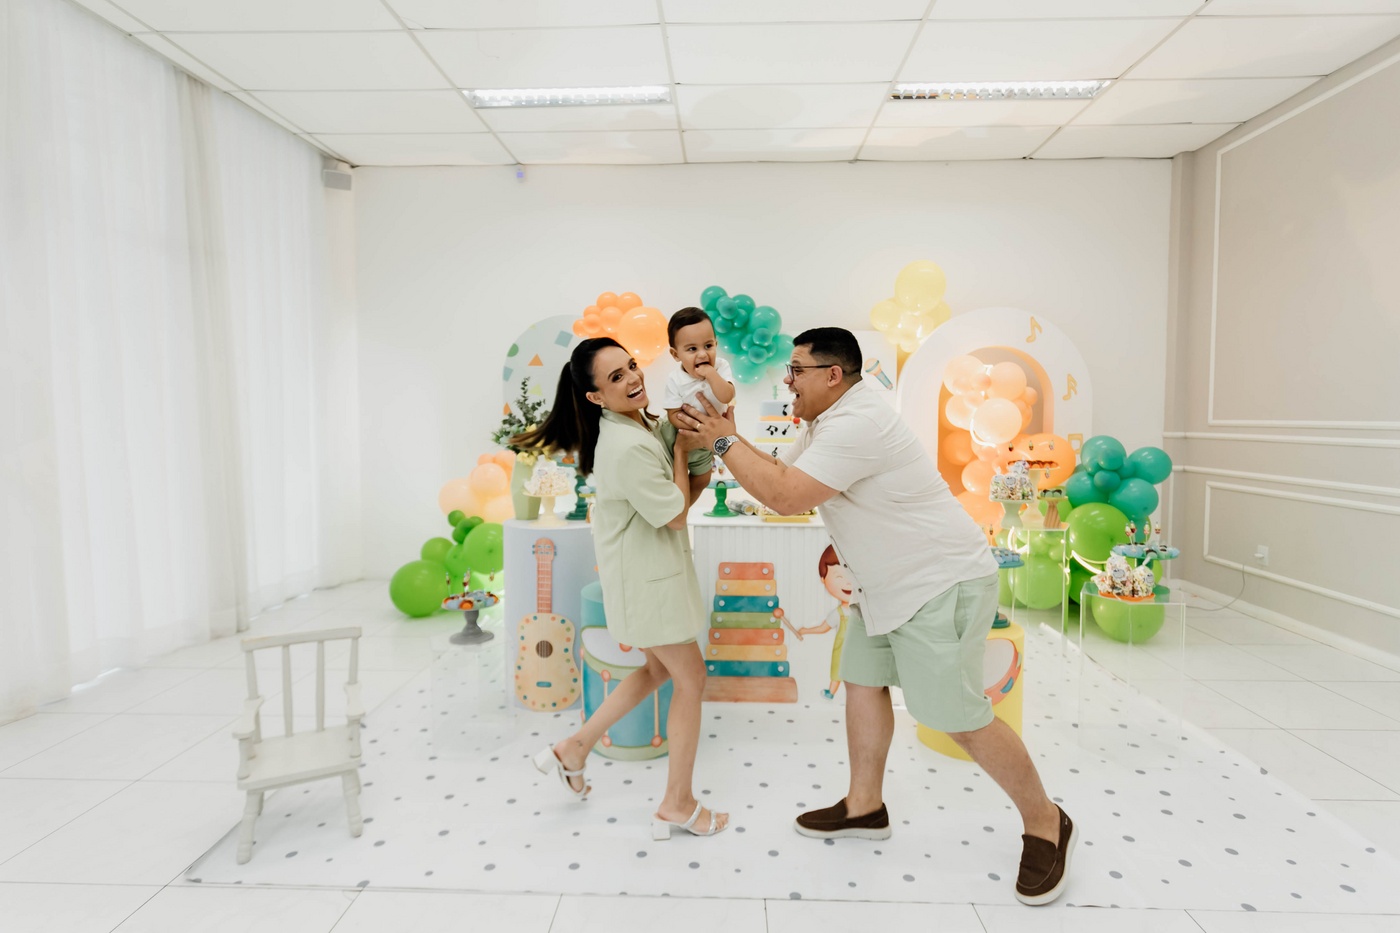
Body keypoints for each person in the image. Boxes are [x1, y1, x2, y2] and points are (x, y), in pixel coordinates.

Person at [674, 326, 1076, 904]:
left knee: (957, 716)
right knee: (862, 682)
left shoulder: (858, 424)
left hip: (937, 583)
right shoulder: (824, 422)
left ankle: (1047, 821)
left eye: (797, 371)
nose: (788, 381)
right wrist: (728, 436)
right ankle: (865, 806)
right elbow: (778, 477)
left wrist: (720, 441)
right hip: (882, 584)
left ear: (833, 375)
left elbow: (787, 498)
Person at [513, 337, 729, 840]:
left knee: (657, 670)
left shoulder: (641, 425)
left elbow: (688, 491)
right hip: (646, 584)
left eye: (631, 366)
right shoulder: (626, 446)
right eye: (616, 377)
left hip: (647, 577)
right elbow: (675, 515)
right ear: (595, 397)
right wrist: (684, 449)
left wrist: (694, 443)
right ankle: (677, 804)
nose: (633, 378)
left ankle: (575, 747)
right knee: (691, 679)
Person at [794, 545, 857, 700]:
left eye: (852, 576)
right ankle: (831, 692)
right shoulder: (838, 613)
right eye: (839, 577)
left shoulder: (862, 610)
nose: (847, 583)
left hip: (859, 649)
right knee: (837, 670)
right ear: (823, 579)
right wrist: (806, 630)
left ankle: (855, 695)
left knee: (858, 672)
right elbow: (823, 628)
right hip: (841, 649)